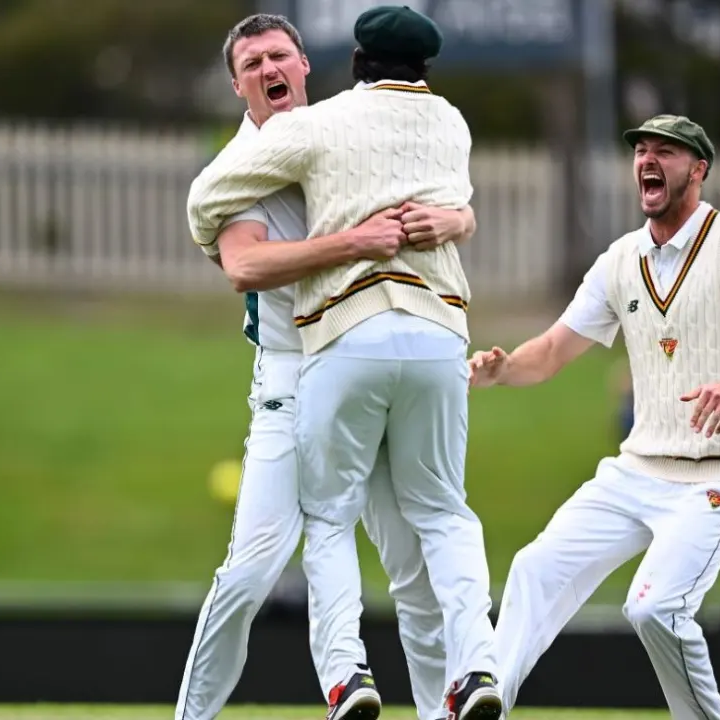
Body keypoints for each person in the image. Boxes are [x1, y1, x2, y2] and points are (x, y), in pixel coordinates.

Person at [186, 6, 502, 718]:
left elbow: (451, 204)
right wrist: (354, 244)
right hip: (295, 371)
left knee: (412, 571)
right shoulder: (252, 161)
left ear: (305, 65)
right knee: (252, 571)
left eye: (278, 57)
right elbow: (244, 265)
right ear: (238, 85)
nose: (268, 70)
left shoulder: (339, 125)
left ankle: (428, 699)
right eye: (251, 64)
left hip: (355, 347)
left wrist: (455, 218)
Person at [469, 115, 720, 719]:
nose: (647, 160)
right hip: (637, 469)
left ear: (698, 169)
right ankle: (484, 707)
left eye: (666, 151)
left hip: (718, 473)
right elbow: (553, 351)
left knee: (655, 608)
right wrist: (502, 369)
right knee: (534, 568)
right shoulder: (620, 259)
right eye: (641, 151)